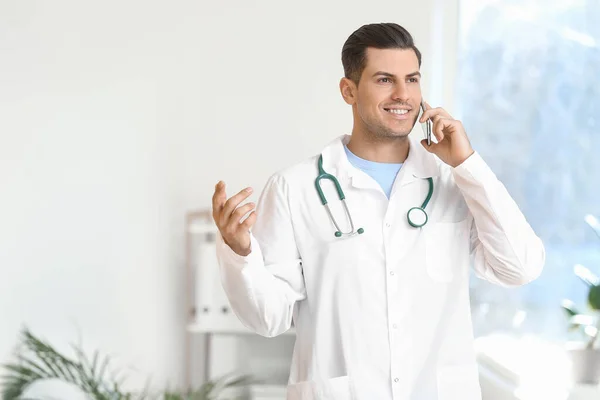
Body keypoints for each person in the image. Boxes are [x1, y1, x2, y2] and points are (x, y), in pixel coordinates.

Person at [211, 22, 544, 400]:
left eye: (413, 79)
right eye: (385, 80)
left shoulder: (453, 181)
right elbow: (267, 319)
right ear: (348, 90)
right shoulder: (295, 188)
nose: (403, 94)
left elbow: (521, 267)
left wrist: (467, 163)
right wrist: (241, 253)